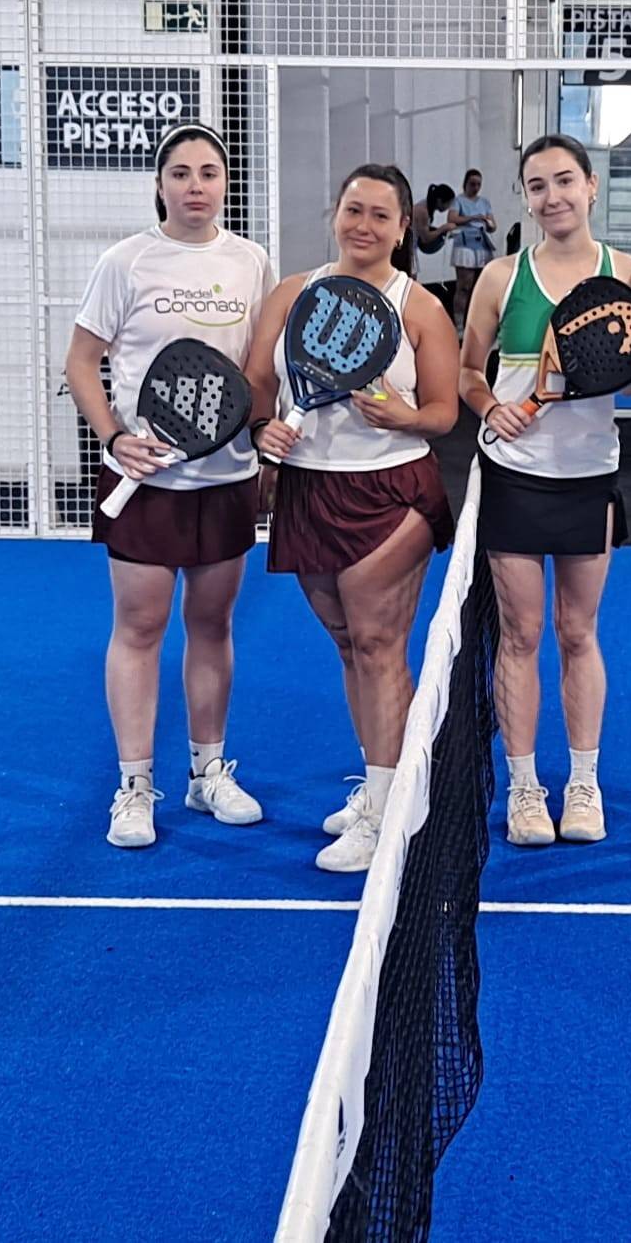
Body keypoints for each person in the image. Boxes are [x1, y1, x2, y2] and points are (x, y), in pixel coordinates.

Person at [244, 164, 460, 873]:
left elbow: (443, 413)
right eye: (353, 210)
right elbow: (259, 385)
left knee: (377, 644)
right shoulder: (290, 294)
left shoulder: (419, 307)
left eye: (380, 216)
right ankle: (383, 780)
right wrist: (263, 432)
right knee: (349, 645)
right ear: (335, 214)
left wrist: (403, 416)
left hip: (391, 492)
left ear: (402, 230)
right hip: (307, 491)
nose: (363, 226)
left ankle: (388, 813)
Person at [63, 122, 273, 849]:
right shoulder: (125, 262)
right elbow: (81, 361)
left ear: (225, 182)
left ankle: (207, 773)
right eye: (180, 173)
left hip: (227, 477)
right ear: (160, 184)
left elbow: (257, 372)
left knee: (212, 625)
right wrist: (114, 437)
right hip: (144, 480)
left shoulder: (251, 262)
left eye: (208, 172)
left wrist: (265, 447)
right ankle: (133, 787)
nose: (195, 186)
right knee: (141, 626)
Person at [460, 134, 631, 848]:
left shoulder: (625, 273)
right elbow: (468, 372)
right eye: (537, 185)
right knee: (520, 634)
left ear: (591, 186)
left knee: (577, 632)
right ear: (526, 198)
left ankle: (583, 784)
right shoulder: (501, 276)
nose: (553, 196)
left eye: (565, 180)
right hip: (513, 475)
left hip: (589, 476)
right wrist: (491, 407)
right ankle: (524, 788)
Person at [447, 168, 496, 332]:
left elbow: (493, 225)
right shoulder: (458, 200)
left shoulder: (484, 202)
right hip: (464, 244)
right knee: (464, 286)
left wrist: (488, 224)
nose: (475, 188)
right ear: (465, 184)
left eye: (478, 184)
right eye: (472, 184)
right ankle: (459, 323)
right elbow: (452, 218)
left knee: (482, 286)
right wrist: (473, 218)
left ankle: (479, 322)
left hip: (481, 244)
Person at [400, 181, 457, 279]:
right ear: (440, 201)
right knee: (411, 279)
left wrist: (443, 233)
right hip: (406, 247)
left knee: (412, 278)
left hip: (409, 246)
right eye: (448, 204)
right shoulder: (423, 211)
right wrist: (443, 228)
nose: (448, 208)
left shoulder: (427, 206)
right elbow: (426, 238)